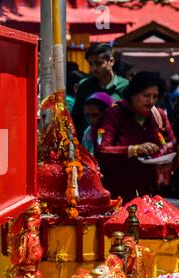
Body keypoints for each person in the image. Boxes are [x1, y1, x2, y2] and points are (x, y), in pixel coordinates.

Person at [96, 71, 176, 203]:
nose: (151, 101)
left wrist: (169, 162)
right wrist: (133, 149)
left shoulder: (158, 115)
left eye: (155, 96)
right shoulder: (113, 114)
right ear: (133, 94)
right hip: (119, 192)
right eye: (146, 96)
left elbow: (171, 144)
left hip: (151, 191)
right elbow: (101, 150)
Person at [72, 43, 129, 141]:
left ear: (111, 61)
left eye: (98, 63)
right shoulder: (84, 86)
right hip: (88, 146)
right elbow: (76, 118)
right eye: (91, 64)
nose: (94, 68)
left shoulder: (126, 86)